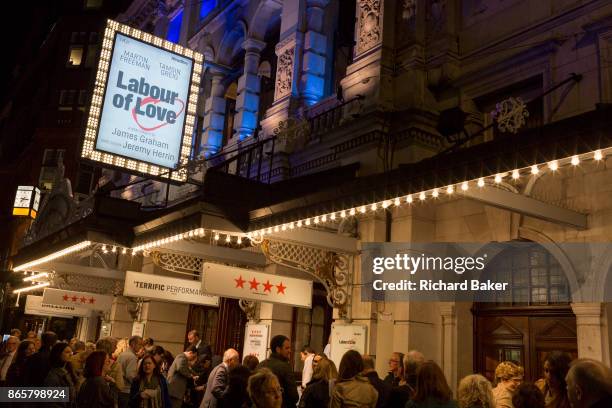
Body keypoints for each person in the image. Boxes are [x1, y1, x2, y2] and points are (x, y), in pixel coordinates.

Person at [257, 335, 299, 408]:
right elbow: (294, 396)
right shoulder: (285, 367)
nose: (290, 351)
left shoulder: (260, 365)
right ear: (278, 349)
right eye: (287, 348)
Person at [44, 342, 78, 408]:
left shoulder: (68, 372)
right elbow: (51, 403)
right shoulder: (53, 377)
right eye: (67, 352)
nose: (71, 354)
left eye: (71, 352)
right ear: (58, 354)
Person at [118, 336, 144, 408]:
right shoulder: (132, 357)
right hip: (126, 390)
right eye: (139, 344)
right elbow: (130, 376)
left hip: (119, 388)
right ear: (133, 344)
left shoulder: (122, 354)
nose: (141, 347)